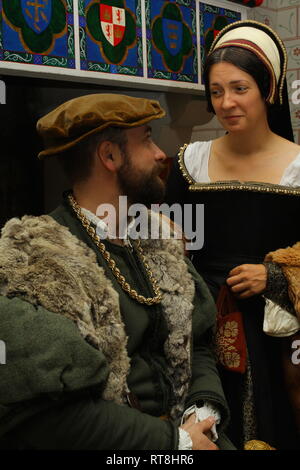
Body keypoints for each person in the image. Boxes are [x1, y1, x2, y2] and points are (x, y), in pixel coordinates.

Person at [0, 93, 234, 450]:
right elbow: (45, 418)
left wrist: (203, 408)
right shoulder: (35, 261)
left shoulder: (159, 241)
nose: (160, 154)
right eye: (147, 140)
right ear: (109, 156)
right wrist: (176, 442)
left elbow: (197, 344)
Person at [166, 20, 300, 449]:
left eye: (240, 88)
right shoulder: (189, 163)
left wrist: (274, 278)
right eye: (217, 91)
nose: (226, 103)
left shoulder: (298, 167)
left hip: (277, 334)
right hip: (201, 325)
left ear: (269, 89)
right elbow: (172, 247)